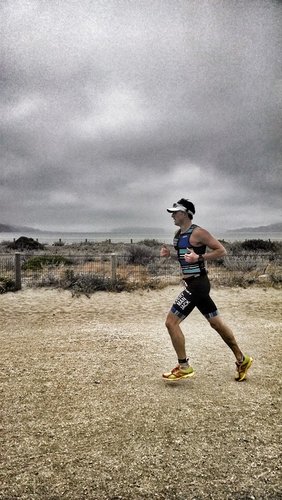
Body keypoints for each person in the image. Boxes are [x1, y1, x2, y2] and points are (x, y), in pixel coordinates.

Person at [160, 198, 253, 382]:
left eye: (175, 212)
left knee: (171, 323)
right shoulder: (178, 234)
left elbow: (221, 251)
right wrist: (170, 255)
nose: (172, 215)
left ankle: (184, 367)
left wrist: (200, 257)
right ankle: (242, 360)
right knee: (216, 324)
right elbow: (184, 259)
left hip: (198, 285)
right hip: (191, 285)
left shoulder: (199, 233)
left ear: (185, 213)